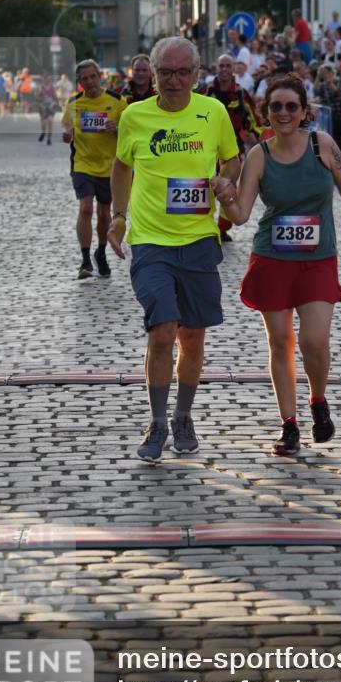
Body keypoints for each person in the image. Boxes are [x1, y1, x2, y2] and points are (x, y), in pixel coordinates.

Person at [213, 74, 341, 456]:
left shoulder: (323, 146)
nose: (284, 113)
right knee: (281, 342)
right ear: (265, 111)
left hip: (318, 259)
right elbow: (240, 216)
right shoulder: (259, 155)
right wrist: (225, 195)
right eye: (276, 107)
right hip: (272, 258)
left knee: (314, 341)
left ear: (304, 111)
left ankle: (317, 400)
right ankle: (288, 425)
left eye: (291, 106)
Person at [107, 37, 240, 465]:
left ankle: (184, 415)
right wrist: (118, 215)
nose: (174, 80)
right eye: (166, 72)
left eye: (183, 72)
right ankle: (158, 421)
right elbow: (123, 165)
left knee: (193, 338)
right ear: (153, 74)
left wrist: (225, 181)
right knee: (162, 329)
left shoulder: (213, 113)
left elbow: (232, 161)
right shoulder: (135, 116)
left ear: (197, 75)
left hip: (199, 239)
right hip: (150, 240)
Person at [61, 59, 127, 279]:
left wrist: (116, 128)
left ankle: (101, 252)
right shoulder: (73, 103)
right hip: (83, 163)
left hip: (109, 166)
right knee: (86, 208)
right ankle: (85, 259)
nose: (89, 82)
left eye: (92, 77)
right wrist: (67, 133)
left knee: (103, 213)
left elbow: (130, 133)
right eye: (84, 79)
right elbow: (66, 126)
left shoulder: (117, 102)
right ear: (79, 82)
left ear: (100, 76)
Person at [202, 53, 262, 241]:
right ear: (216, 68)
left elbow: (252, 116)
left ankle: (222, 228)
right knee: (205, 185)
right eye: (222, 66)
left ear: (233, 68)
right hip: (207, 147)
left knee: (228, 185)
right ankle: (204, 222)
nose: (225, 69)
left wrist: (257, 133)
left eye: (228, 66)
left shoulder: (240, 92)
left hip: (232, 149)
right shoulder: (205, 90)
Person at [37, 73, 57, 144]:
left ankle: (49, 139)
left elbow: (55, 98)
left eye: (49, 80)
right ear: (44, 80)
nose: (48, 81)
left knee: (50, 121)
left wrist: (54, 103)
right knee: (44, 123)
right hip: (43, 107)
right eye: (46, 80)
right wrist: (41, 103)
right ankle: (43, 133)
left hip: (50, 107)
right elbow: (38, 98)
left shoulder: (52, 88)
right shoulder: (40, 88)